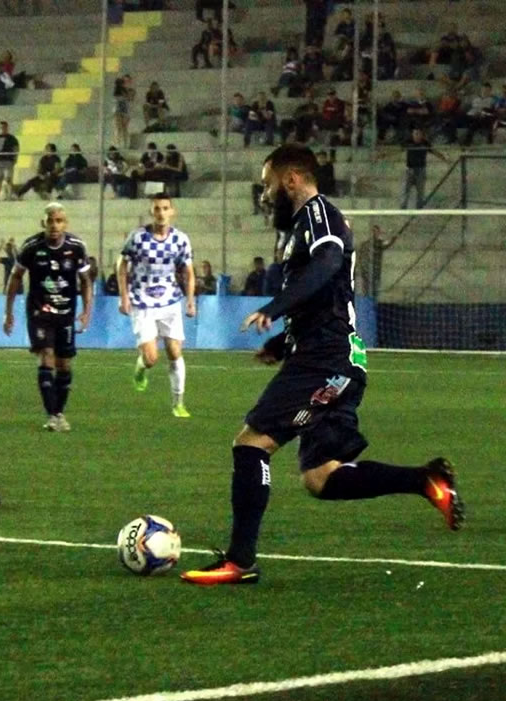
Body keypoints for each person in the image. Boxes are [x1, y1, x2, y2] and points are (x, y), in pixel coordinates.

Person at [180, 144, 464, 585]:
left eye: (267, 182)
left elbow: (329, 263)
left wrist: (276, 307)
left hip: (325, 357)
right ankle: (426, 481)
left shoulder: (317, 214)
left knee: (252, 444)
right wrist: (282, 340)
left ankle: (240, 560)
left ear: (291, 179)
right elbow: (324, 295)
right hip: (335, 355)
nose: (265, 193)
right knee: (321, 477)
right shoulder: (300, 227)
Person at [4, 203, 92, 432]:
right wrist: (9, 311)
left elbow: (85, 281)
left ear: (65, 223)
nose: (54, 226)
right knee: (46, 357)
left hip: (66, 314)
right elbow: (15, 278)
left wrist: (86, 311)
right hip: (39, 312)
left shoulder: (76, 247)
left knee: (64, 365)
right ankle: (53, 415)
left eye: (59, 221)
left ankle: (59, 412)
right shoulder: (32, 247)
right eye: (50, 221)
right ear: (43, 223)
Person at [117, 193, 196, 417]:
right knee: (152, 358)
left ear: (172, 211)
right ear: (151, 212)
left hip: (170, 301)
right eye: (157, 208)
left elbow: (188, 272)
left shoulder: (180, 239)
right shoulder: (138, 237)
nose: (161, 213)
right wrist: (124, 297)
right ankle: (142, 368)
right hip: (142, 302)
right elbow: (122, 265)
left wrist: (190, 301)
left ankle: (178, 403)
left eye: (165, 208)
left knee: (174, 351)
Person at [400, 126, 447, 209]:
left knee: (420, 191)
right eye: (415, 134)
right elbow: (397, 150)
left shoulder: (425, 143)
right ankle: (403, 208)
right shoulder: (408, 142)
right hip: (409, 169)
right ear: (412, 134)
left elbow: (434, 151)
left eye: (419, 134)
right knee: (405, 190)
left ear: (422, 135)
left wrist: (444, 158)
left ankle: (419, 208)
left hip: (420, 170)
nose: (417, 136)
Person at [0, 121, 20, 201]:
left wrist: (15, 158)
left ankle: (10, 195)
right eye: (1, 127)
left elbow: (16, 148)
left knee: (8, 178)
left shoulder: (11, 138)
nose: (2, 129)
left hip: (8, 160)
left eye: (4, 127)